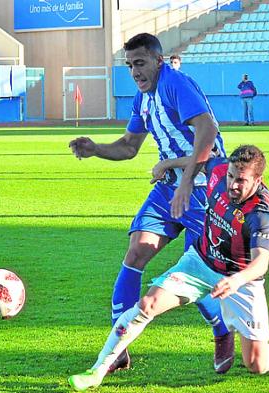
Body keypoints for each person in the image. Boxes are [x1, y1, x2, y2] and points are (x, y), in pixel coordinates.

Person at [68, 145, 269, 391]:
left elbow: (261, 263)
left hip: (239, 279)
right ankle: (97, 370)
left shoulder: (261, 212)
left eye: (241, 181)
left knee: (256, 363)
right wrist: (166, 165)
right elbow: (199, 159)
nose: (232, 184)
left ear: (258, 179)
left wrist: (235, 281)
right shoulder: (219, 169)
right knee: (148, 304)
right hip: (200, 262)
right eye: (231, 176)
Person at [69, 33, 235, 375]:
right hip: (169, 187)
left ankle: (222, 330)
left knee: (196, 274)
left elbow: (208, 131)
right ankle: (117, 351)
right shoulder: (142, 98)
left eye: (140, 63)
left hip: (204, 189)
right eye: (130, 65)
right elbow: (130, 146)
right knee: (136, 253)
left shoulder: (176, 85)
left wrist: (186, 183)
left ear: (159, 60)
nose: (134, 71)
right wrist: (96, 148)